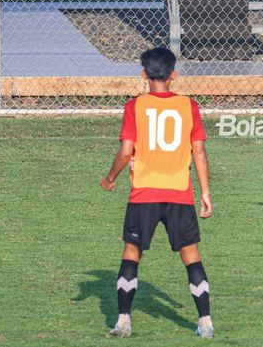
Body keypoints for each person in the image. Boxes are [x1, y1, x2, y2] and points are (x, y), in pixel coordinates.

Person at [100, 47, 215, 338]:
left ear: (143, 75)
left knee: (131, 253)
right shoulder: (188, 106)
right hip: (179, 194)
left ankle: (124, 320)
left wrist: (110, 177)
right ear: (173, 75)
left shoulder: (134, 107)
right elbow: (199, 151)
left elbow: (126, 151)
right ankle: (205, 322)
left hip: (144, 195)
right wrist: (205, 192)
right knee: (192, 256)